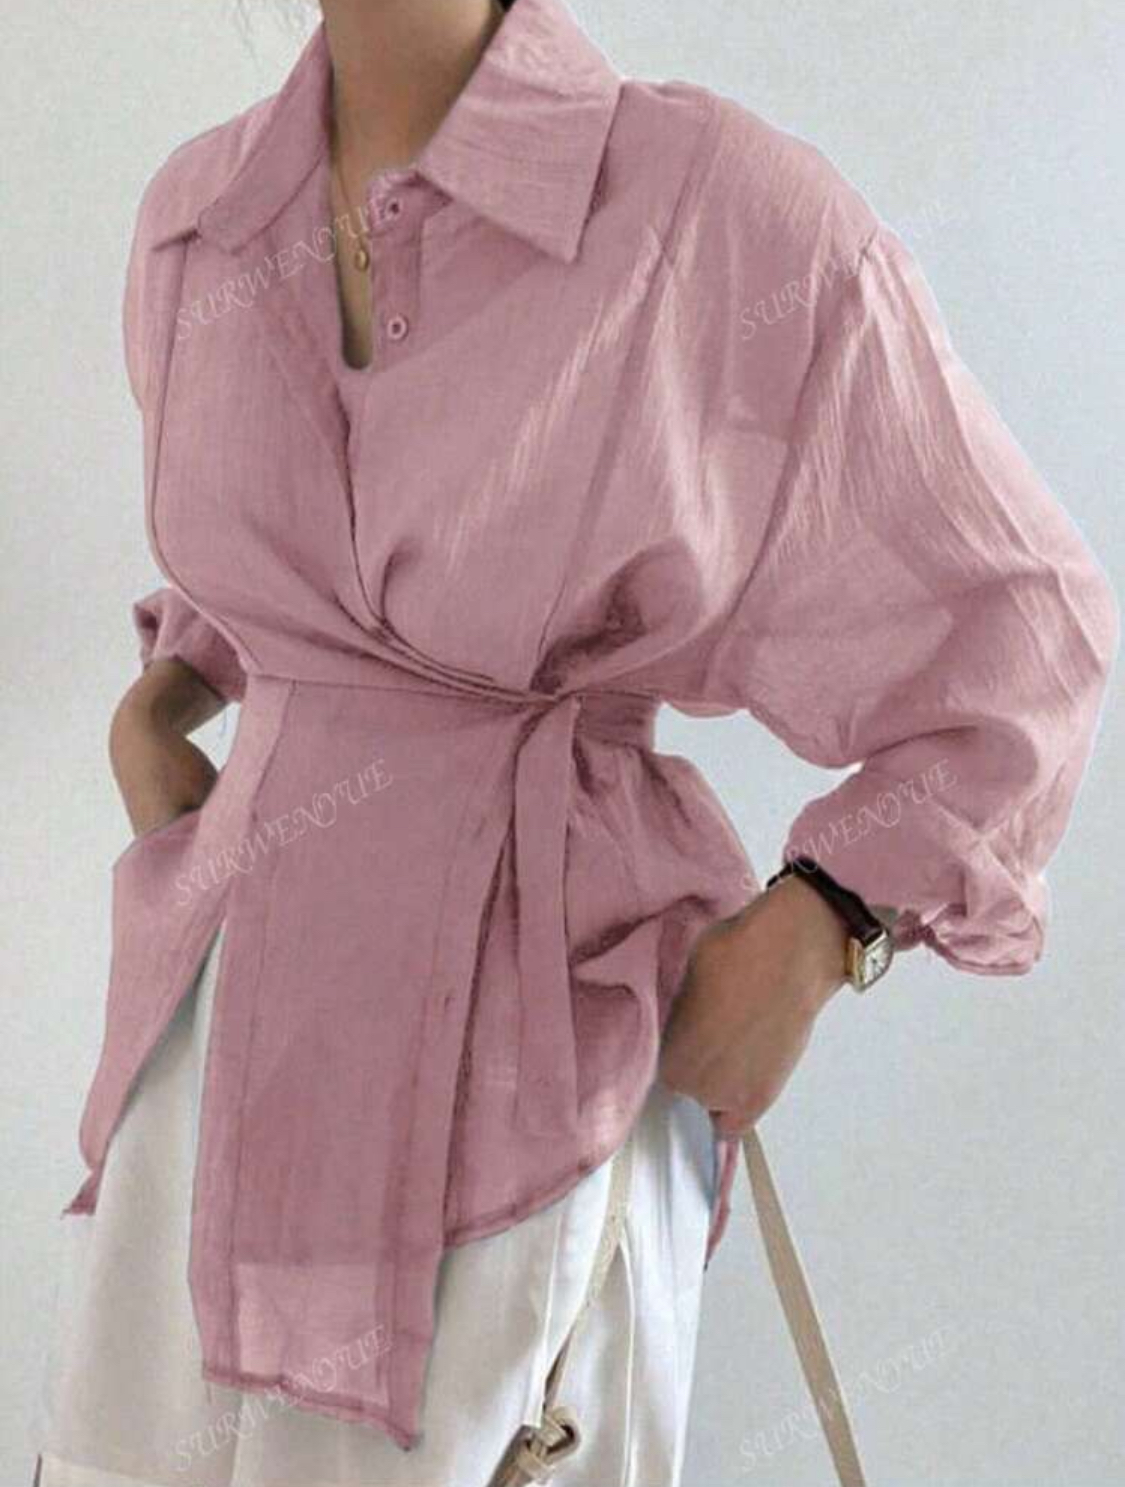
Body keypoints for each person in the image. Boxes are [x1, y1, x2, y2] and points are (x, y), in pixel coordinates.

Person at [31, 0, 1119, 1483]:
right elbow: (297, 546)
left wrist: (825, 924)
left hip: (532, 1055)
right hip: (215, 1049)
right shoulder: (200, 220)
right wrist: (164, 697)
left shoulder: (706, 209)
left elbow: (1025, 624)